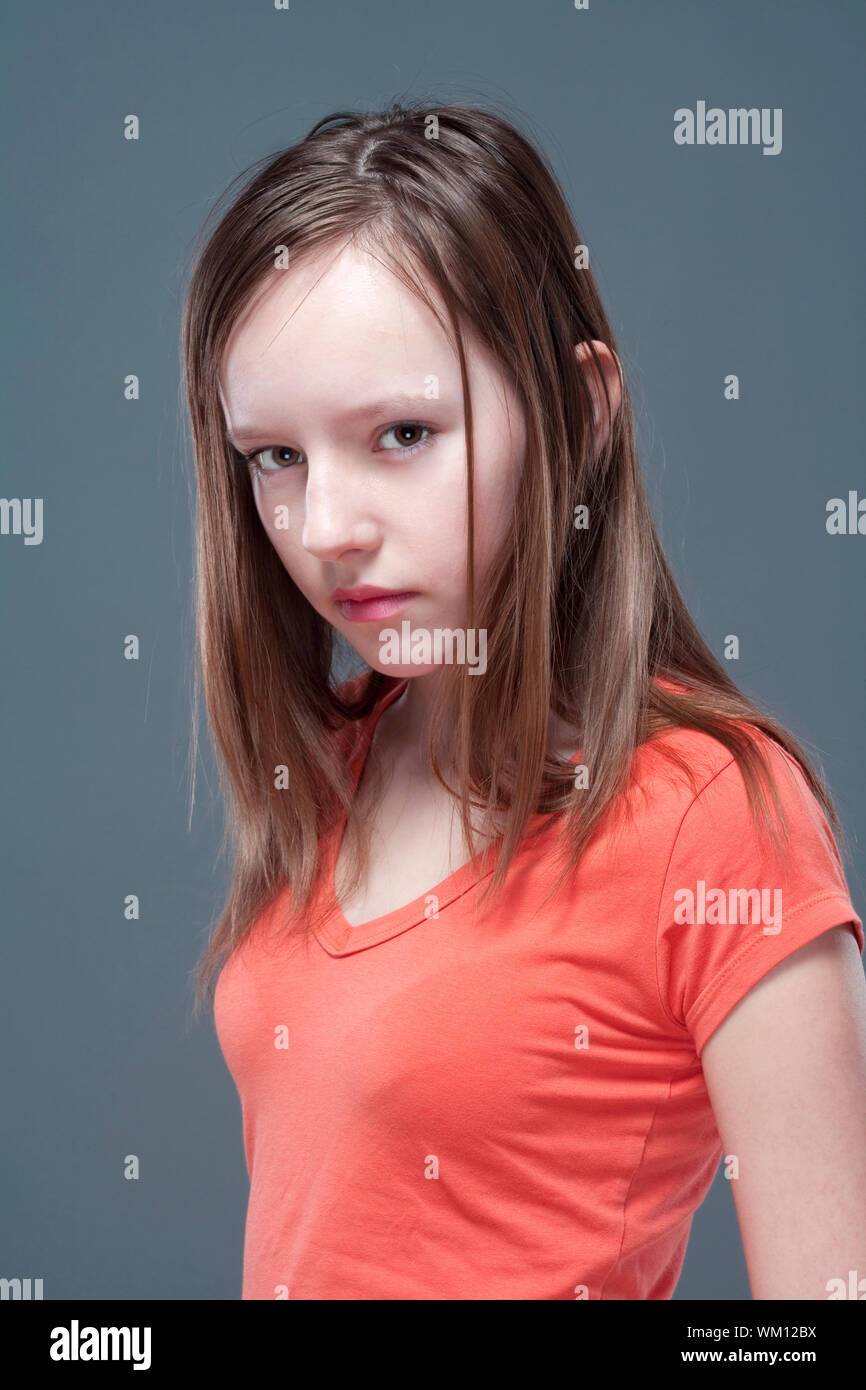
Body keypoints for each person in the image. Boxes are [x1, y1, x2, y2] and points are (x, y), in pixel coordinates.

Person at [181, 99, 866, 1300]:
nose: (325, 529)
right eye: (274, 457)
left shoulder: (712, 817)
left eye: (401, 432)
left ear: (578, 413)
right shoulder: (339, 761)